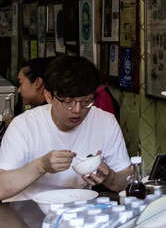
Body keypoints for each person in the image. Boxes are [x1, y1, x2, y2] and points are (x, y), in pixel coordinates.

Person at [0, 56, 131, 201]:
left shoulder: (105, 122)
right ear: (48, 96)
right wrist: (41, 166)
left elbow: (126, 179)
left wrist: (110, 177)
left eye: (86, 101)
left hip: (77, 210)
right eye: (68, 102)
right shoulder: (24, 125)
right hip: (24, 210)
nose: (77, 110)